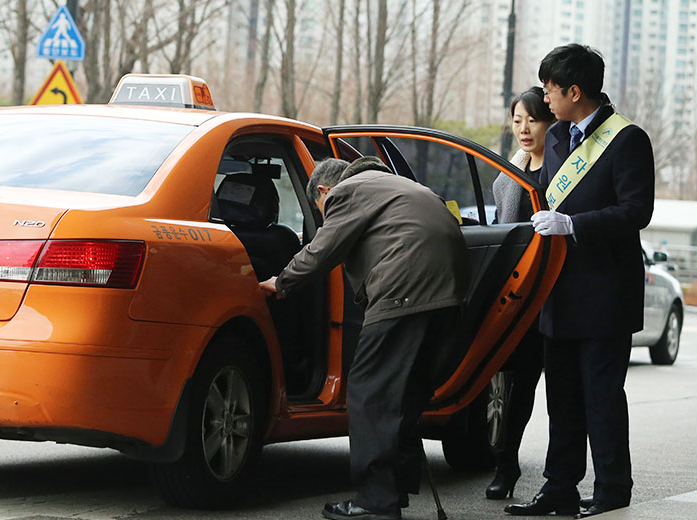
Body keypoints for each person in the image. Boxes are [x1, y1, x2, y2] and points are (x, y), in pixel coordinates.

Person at [259, 156, 470, 520]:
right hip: (450, 294)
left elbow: (323, 248)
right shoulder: (396, 185)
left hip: (405, 289)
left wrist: (282, 281)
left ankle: (375, 501)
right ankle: (395, 488)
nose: (326, 215)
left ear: (324, 191)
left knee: (370, 390)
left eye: (320, 210)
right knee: (404, 393)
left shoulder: (346, 192)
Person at [505, 44, 654, 518]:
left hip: (606, 291)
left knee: (601, 397)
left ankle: (612, 489)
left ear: (575, 90)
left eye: (550, 90)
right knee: (562, 397)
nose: (545, 98)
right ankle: (559, 488)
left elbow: (637, 211)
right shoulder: (555, 139)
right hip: (558, 288)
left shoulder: (627, 139)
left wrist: (575, 224)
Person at [486, 86, 555, 500]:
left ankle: (559, 475)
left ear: (551, 122)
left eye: (533, 119)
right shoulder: (508, 175)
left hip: (555, 292)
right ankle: (505, 465)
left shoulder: (562, 173)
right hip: (518, 296)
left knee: (561, 389)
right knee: (515, 385)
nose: (524, 129)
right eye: (517, 121)